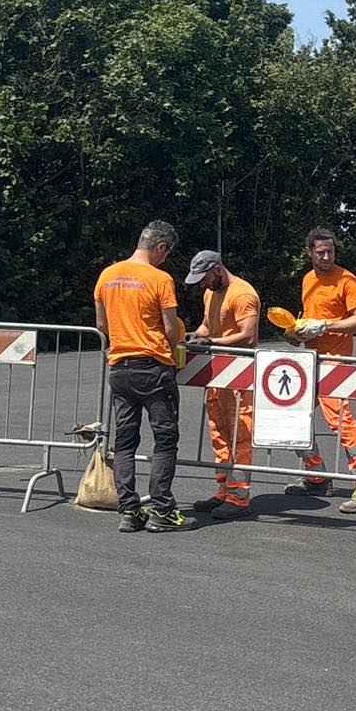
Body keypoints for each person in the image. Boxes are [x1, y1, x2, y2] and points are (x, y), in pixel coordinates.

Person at [93, 220, 191, 534]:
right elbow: (171, 328)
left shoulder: (107, 276)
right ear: (161, 247)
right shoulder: (160, 279)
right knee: (165, 440)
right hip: (153, 368)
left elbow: (102, 325)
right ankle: (162, 508)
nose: (166, 259)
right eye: (167, 253)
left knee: (124, 441)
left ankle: (129, 510)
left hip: (120, 367)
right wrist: (178, 340)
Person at [279, 227, 356, 512]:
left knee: (339, 419)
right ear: (309, 253)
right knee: (295, 416)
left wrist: (325, 325)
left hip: (335, 361)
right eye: (321, 252)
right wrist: (297, 332)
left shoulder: (346, 280)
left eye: (331, 252)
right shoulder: (308, 279)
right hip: (309, 359)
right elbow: (309, 316)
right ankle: (316, 477)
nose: (326, 257)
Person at [183, 249, 261, 519]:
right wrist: (196, 335)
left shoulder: (242, 294)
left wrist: (212, 342)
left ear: (217, 269)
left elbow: (248, 336)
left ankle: (239, 496)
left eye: (204, 278)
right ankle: (225, 490)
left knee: (240, 433)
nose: (202, 284)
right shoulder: (211, 293)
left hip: (238, 375)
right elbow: (208, 326)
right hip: (217, 376)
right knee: (219, 432)